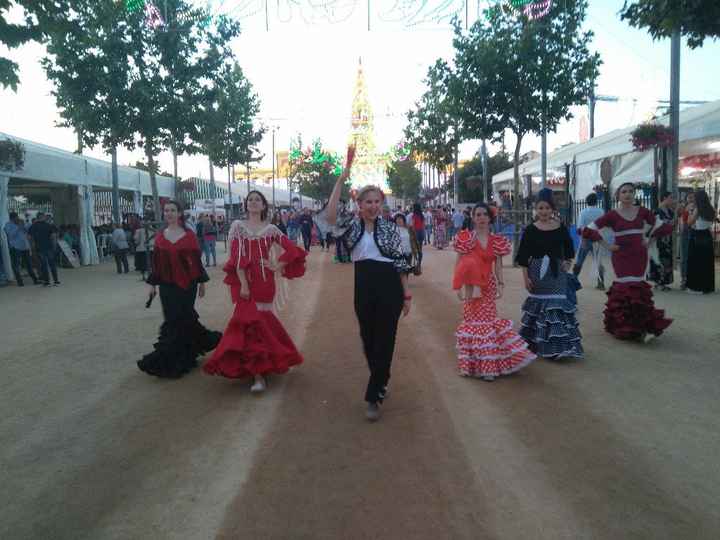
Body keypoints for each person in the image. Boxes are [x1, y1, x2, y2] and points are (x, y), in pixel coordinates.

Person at [327, 147, 412, 422]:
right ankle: (382, 378)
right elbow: (329, 217)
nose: (373, 206)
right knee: (368, 339)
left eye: (377, 201)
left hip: (389, 287)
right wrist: (341, 179)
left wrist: (406, 294)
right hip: (362, 285)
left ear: (382, 203)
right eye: (368, 202)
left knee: (385, 340)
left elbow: (402, 263)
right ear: (359, 205)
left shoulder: (393, 230)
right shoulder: (351, 225)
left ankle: (373, 396)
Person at [203, 190, 307, 393]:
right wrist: (243, 284)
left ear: (263, 205)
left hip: (266, 282)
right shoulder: (237, 227)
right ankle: (257, 375)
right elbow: (236, 258)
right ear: (246, 204)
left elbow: (292, 250)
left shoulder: (271, 229)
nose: (253, 202)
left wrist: (276, 265)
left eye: (257, 200)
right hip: (246, 282)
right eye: (250, 199)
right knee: (248, 323)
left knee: (262, 323)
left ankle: (262, 369)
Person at [138, 200, 221, 378]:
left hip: (187, 286)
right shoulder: (160, 237)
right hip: (167, 286)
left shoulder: (189, 235)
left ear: (179, 213)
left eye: (173, 210)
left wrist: (202, 283)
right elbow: (157, 264)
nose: (169, 213)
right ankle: (179, 357)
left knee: (184, 317)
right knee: (172, 319)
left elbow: (196, 262)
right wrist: (153, 285)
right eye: (166, 210)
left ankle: (184, 357)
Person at [453, 204, 536, 381]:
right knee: (473, 323)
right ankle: (472, 366)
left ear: (490, 218)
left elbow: (497, 265)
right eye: (478, 215)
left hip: (488, 285)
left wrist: (501, 283)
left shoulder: (496, 240)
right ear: (473, 218)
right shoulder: (466, 238)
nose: (481, 218)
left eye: (484, 214)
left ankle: (488, 367)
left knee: (488, 324)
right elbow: (459, 263)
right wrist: (458, 285)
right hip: (471, 286)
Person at [582, 182, 673, 342]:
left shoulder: (643, 211)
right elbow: (588, 229)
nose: (628, 194)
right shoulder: (612, 215)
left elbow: (661, 227)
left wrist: (649, 241)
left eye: (631, 191)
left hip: (639, 255)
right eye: (624, 191)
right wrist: (608, 246)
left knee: (638, 287)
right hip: (621, 255)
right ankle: (622, 326)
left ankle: (640, 326)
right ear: (618, 195)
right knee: (624, 287)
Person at [515, 189, 583, 359]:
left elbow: (569, 250)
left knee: (556, 307)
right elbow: (523, 257)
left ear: (552, 209)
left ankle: (558, 347)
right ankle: (538, 344)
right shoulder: (530, 230)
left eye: (546, 208)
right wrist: (526, 278)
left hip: (557, 274)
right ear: (536, 210)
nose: (543, 211)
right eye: (540, 208)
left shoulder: (561, 228)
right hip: (537, 273)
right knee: (539, 309)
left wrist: (567, 263)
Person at [573, 193, 607, 290]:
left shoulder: (583, 212)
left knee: (579, 261)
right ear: (596, 201)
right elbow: (604, 226)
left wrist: (583, 239)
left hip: (586, 239)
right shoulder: (601, 211)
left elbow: (580, 228)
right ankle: (601, 283)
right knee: (598, 261)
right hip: (597, 239)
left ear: (587, 201)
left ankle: (574, 281)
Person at [685, 190, 716, 294]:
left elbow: (689, 222)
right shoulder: (711, 209)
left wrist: (689, 212)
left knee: (696, 262)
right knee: (706, 262)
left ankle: (696, 287)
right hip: (707, 235)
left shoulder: (698, 209)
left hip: (697, 235)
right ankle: (707, 287)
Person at [647, 192, 676, 291]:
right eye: (671, 198)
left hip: (668, 239)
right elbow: (651, 226)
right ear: (664, 198)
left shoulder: (671, 212)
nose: (673, 200)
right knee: (658, 259)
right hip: (658, 239)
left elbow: (673, 226)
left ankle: (664, 282)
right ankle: (658, 282)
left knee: (667, 260)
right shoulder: (656, 211)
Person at [4, 212, 39, 286]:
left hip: (24, 247)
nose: (18, 218)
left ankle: (35, 280)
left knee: (29, 264)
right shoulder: (8, 225)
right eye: (17, 217)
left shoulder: (20, 223)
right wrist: (18, 227)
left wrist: (25, 223)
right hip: (15, 247)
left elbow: (27, 230)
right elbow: (11, 235)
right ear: (12, 218)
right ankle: (20, 282)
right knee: (16, 265)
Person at [28, 212, 60, 286]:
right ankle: (56, 280)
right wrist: (54, 246)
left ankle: (47, 281)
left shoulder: (33, 226)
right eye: (44, 216)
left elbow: (29, 237)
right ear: (42, 217)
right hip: (49, 247)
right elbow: (53, 236)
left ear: (37, 217)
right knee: (52, 264)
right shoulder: (48, 225)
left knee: (43, 265)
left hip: (39, 248)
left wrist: (32, 245)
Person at [679, 192, 695, 290]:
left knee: (692, 256)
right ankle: (683, 279)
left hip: (694, 232)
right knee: (684, 257)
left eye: (693, 197)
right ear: (686, 198)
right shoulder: (682, 207)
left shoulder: (697, 208)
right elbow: (680, 220)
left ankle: (691, 278)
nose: (691, 199)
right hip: (684, 233)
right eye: (689, 197)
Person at [410, 203, 425, 274]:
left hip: (416, 232)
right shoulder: (422, 215)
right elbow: (423, 225)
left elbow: (413, 225)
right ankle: (419, 263)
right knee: (420, 249)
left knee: (414, 249)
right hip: (421, 232)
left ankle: (415, 264)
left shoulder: (414, 216)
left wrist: (412, 233)